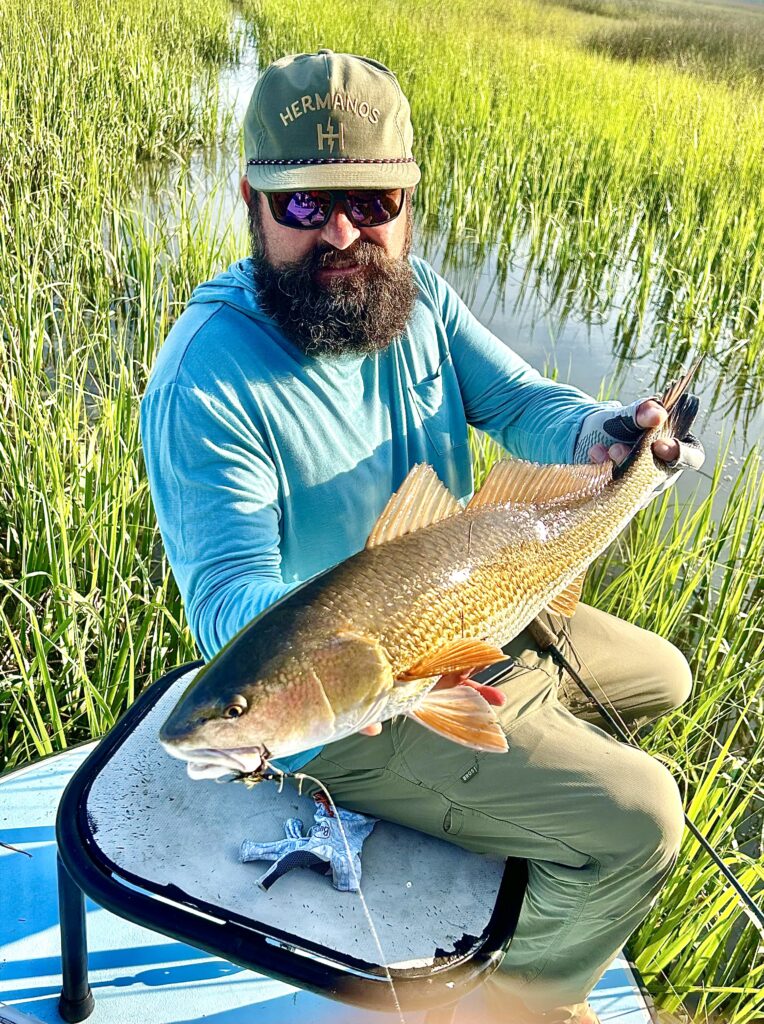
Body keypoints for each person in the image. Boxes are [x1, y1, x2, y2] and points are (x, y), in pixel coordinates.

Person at [140, 49, 703, 1024]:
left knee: (666, 677)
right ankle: (517, 1003)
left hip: (468, 596)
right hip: (350, 704)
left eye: (373, 201)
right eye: (307, 208)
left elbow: (520, 401)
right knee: (644, 819)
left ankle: (502, 798)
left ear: (407, 198)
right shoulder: (206, 378)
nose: (346, 232)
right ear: (250, 200)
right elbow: (227, 603)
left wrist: (606, 437)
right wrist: (335, 661)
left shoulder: (418, 297)